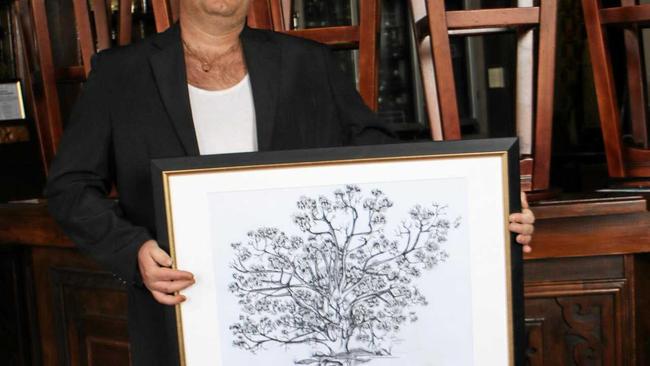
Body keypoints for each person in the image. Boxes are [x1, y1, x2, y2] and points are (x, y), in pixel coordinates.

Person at [45, 0, 535, 364]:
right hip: (184, 318)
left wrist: (487, 197)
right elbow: (69, 187)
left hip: (307, 328)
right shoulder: (120, 74)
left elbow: (387, 162)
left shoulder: (309, 62)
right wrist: (133, 251)